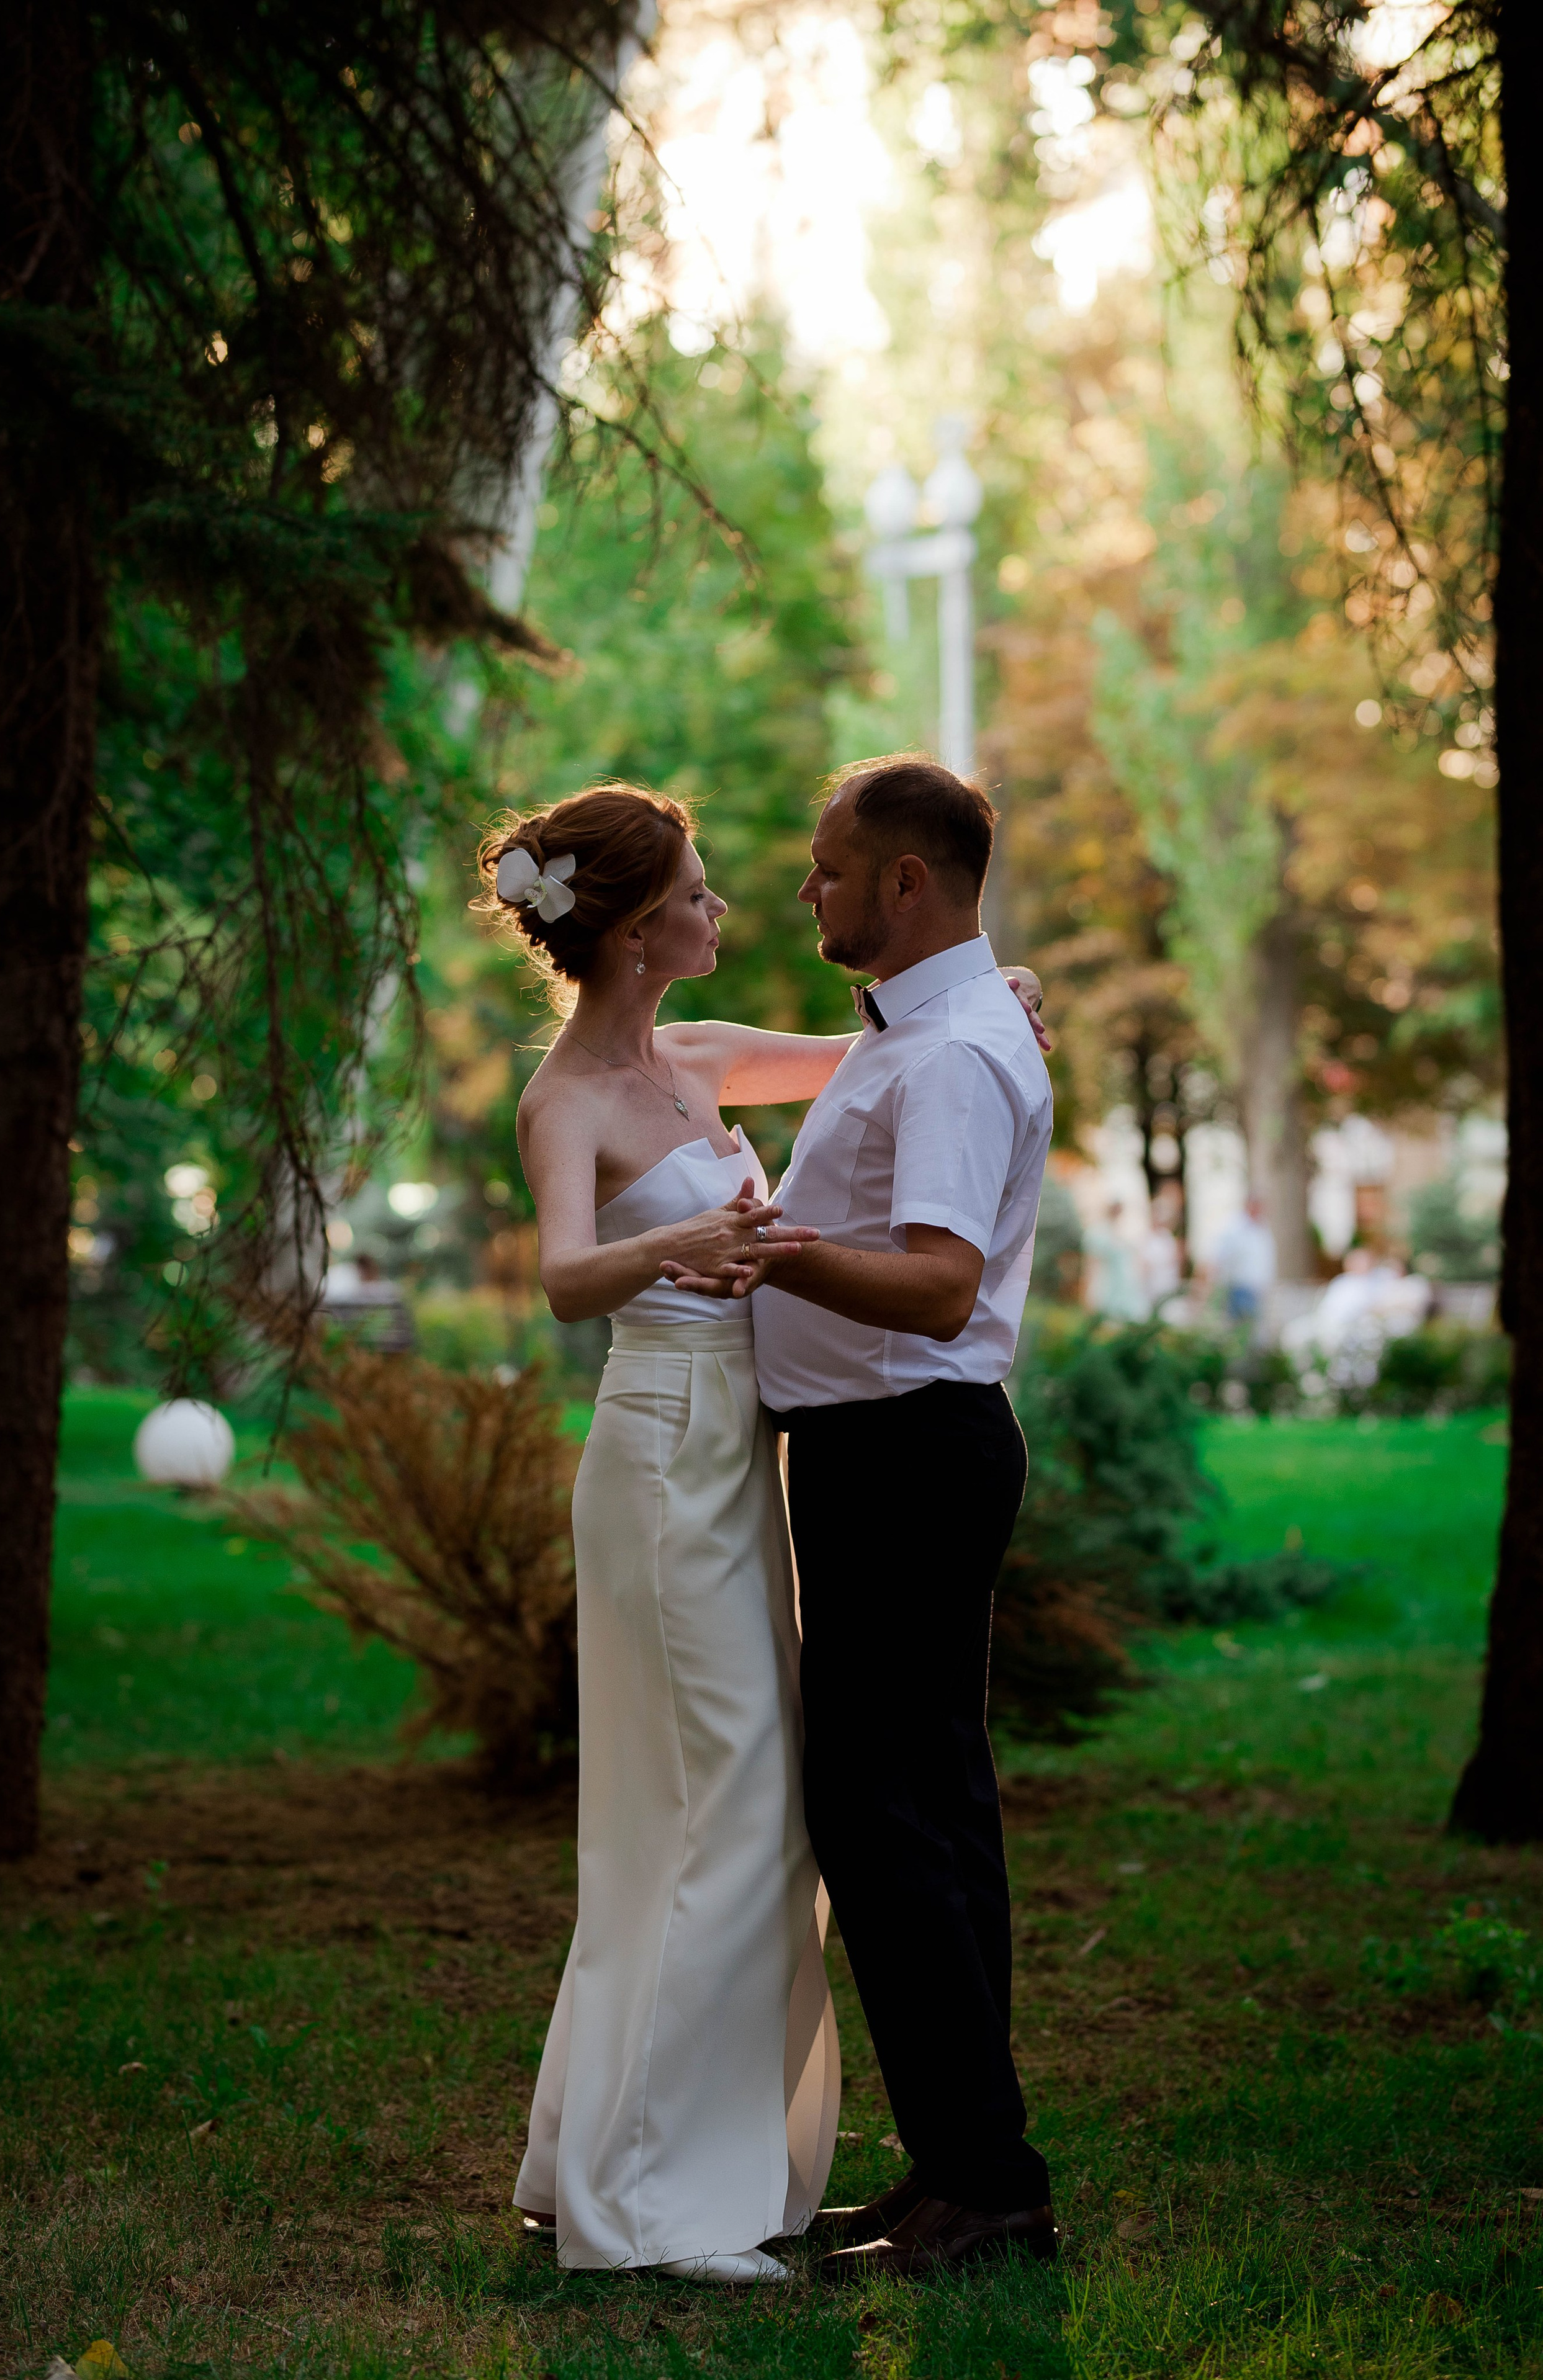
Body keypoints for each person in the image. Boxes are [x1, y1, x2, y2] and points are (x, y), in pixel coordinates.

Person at [486, 778, 1049, 2288]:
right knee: (723, 1804)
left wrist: (996, 988)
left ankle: (671, 2156)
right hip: (673, 1451)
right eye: (696, 891)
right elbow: (562, 1278)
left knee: (765, 1807)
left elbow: (892, 1048)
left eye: (803, 872)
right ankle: (650, 2192)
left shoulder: (698, 1056)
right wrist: (684, 1240)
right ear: (629, 932)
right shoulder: (567, 1098)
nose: (734, 904)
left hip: (763, 1452)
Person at [666, 755, 1058, 2280]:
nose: (805, 887)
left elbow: (939, 1284)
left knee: (881, 1812)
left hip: (901, 1451)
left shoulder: (949, 1053)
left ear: (905, 880)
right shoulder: (926, 1028)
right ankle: (966, 2168)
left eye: (829, 866)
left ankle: (983, 2178)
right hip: (895, 1449)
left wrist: (767, 1251)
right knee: (931, 1811)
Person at [1212, 1194, 1277, 1324]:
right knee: (1241, 1326)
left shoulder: (1262, 1227)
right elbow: (1221, 1257)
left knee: (1254, 1327)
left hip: (1258, 1289)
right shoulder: (1235, 1227)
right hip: (1240, 1287)